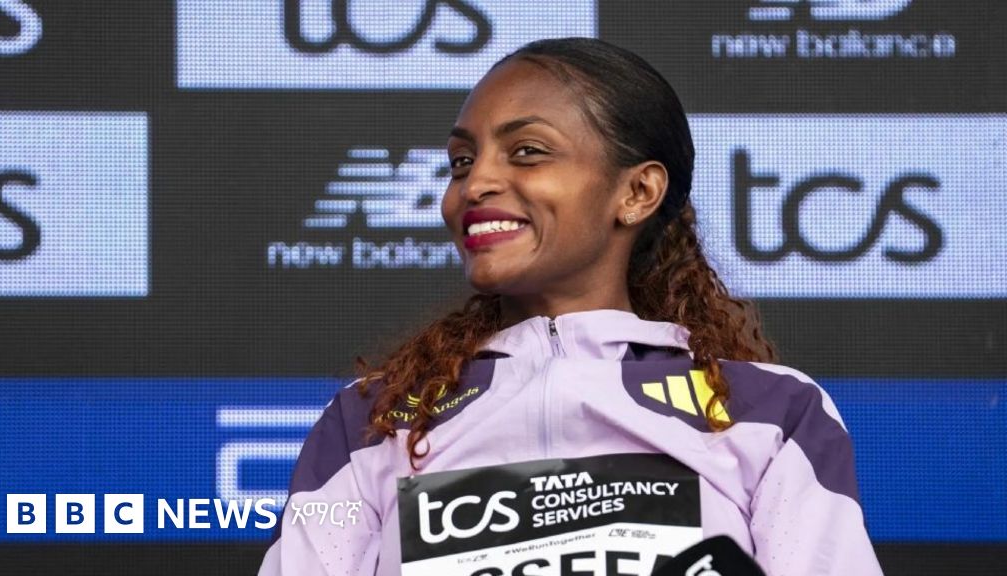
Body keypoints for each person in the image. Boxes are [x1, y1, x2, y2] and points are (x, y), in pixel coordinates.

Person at [259, 38, 882, 576]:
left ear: (637, 191)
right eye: (461, 162)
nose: (475, 185)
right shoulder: (372, 420)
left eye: (528, 151)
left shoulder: (772, 413)